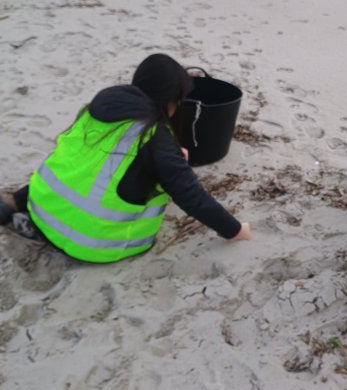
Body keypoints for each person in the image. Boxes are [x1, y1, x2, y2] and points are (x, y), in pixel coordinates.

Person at [0, 53, 251, 263]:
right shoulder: (153, 139)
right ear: (171, 100)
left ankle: (14, 203)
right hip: (91, 244)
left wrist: (171, 152)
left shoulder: (100, 107)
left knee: (85, 168)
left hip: (40, 205)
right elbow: (191, 196)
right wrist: (236, 230)